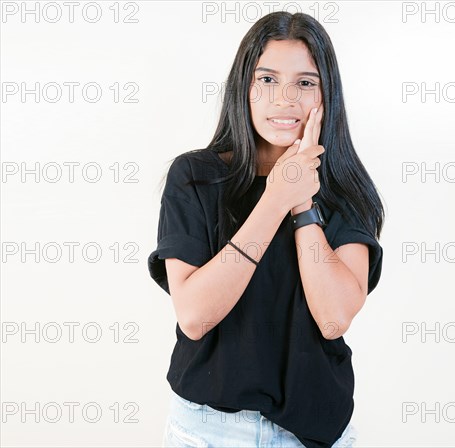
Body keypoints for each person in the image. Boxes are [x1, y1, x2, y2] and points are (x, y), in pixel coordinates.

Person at [147, 11, 385, 448]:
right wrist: (276, 198)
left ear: (326, 95)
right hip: (209, 429)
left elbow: (334, 319)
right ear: (245, 87)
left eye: (306, 83)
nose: (285, 99)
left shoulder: (346, 190)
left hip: (315, 431)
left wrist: (302, 204)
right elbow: (195, 316)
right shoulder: (194, 177)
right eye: (269, 79)